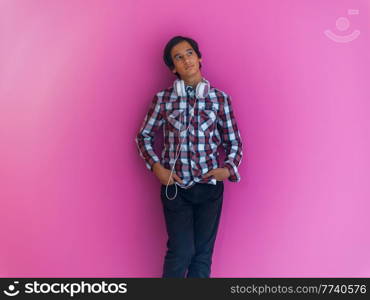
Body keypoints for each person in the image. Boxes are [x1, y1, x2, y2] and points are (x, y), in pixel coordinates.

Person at [135, 36, 243, 278]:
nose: (186, 59)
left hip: (209, 189)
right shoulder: (163, 100)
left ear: (199, 57)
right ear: (173, 67)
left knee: (202, 255)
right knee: (181, 251)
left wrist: (228, 168)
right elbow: (143, 137)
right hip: (176, 189)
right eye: (178, 57)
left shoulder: (219, 99)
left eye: (189, 53)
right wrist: (156, 168)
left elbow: (234, 141)